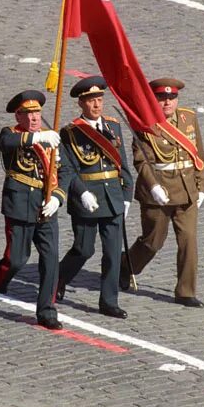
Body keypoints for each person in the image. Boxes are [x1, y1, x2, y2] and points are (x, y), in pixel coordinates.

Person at [0, 89, 71, 330]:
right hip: (20, 204)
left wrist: (58, 198)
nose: (34, 118)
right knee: (17, 260)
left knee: (51, 259)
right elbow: (7, 143)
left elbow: (65, 171)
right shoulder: (11, 134)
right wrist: (36, 139)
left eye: (37, 113)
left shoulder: (50, 137)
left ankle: (46, 309)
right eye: (28, 114)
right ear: (18, 117)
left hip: (46, 205)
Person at [120, 78, 204, 307]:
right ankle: (125, 266)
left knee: (188, 240)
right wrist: (154, 187)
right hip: (158, 193)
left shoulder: (188, 118)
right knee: (152, 242)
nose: (167, 103)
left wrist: (201, 187)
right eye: (162, 98)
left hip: (186, 190)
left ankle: (185, 291)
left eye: (171, 98)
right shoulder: (144, 124)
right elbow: (142, 161)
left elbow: (198, 156)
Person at [57, 76, 133, 319]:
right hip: (87, 198)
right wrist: (82, 192)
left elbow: (122, 164)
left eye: (99, 100)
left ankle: (109, 301)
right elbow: (68, 168)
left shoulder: (113, 126)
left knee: (112, 252)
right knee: (83, 249)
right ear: (81, 103)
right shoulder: (70, 132)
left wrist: (127, 194)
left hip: (112, 197)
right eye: (91, 101)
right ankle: (58, 280)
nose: (97, 105)